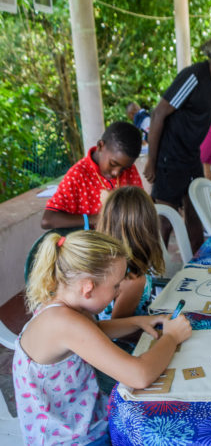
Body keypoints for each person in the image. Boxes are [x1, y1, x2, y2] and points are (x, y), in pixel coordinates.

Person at [13, 230, 191, 445]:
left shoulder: (61, 307)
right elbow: (139, 375)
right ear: (88, 288)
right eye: (116, 286)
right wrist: (171, 337)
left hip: (82, 423)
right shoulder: (64, 323)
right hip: (75, 440)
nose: (118, 292)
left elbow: (93, 331)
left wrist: (136, 322)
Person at [143, 30, 211, 253]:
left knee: (197, 211)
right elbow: (158, 114)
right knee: (165, 219)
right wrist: (152, 160)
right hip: (170, 156)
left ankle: (198, 263)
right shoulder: (193, 77)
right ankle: (152, 277)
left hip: (191, 155)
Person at [42, 121, 143, 230]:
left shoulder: (129, 169)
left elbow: (140, 206)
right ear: (100, 146)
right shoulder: (77, 175)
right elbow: (48, 220)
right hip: (91, 244)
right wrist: (97, 218)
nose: (116, 173)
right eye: (113, 164)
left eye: (124, 168)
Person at [96, 186, 165, 319]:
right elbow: (118, 331)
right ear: (149, 228)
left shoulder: (107, 262)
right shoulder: (133, 279)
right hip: (129, 337)